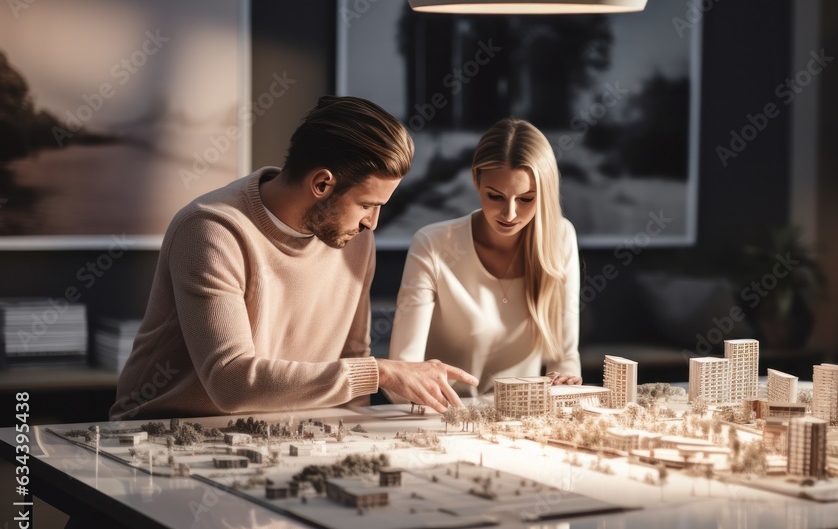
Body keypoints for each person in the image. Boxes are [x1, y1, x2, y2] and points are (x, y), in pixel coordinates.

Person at [109, 96, 477, 421]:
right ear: (322, 184)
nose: (372, 222)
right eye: (367, 205)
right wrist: (381, 372)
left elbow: (352, 355)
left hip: (288, 432)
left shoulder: (356, 240)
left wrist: (355, 443)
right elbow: (231, 383)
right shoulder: (212, 231)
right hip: (164, 433)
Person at [389, 118, 581, 398]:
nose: (510, 214)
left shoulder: (561, 238)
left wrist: (563, 380)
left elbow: (565, 358)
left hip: (521, 418)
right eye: (496, 196)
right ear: (476, 180)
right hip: (442, 416)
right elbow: (402, 373)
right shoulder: (433, 245)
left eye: (526, 199)